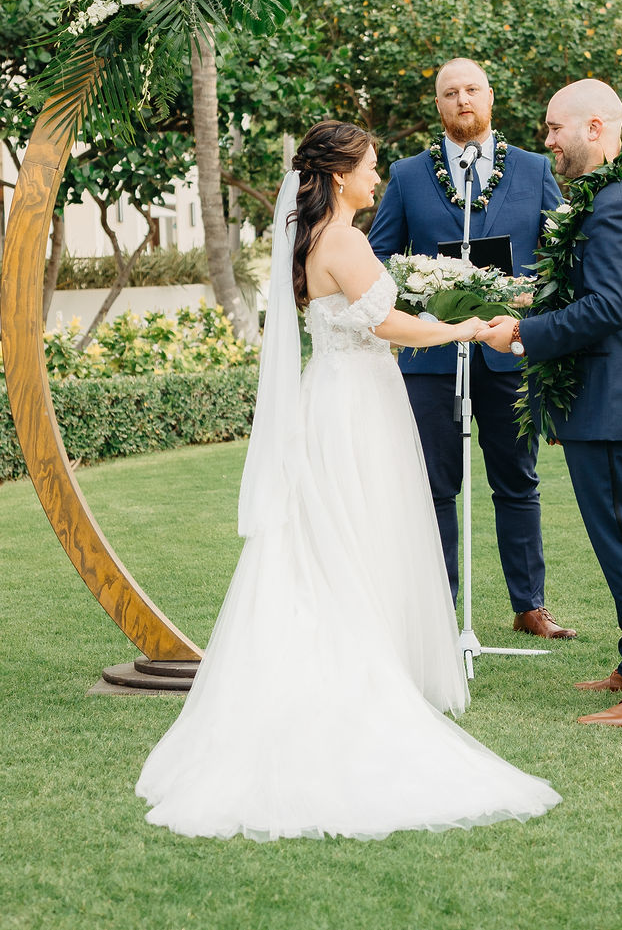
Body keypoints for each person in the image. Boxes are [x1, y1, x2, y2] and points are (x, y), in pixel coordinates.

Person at [136, 121, 560, 840]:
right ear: (339, 175)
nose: (378, 179)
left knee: (327, 538)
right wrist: (466, 328)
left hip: (330, 396)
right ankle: (354, 677)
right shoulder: (344, 239)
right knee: (362, 533)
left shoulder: (307, 239)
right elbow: (389, 322)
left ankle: (320, 667)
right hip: (359, 402)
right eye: (369, 168)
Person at [481, 81, 622, 728]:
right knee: (617, 544)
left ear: (594, 128)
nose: (546, 142)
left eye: (552, 129)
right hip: (606, 403)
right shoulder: (608, 198)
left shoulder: (618, 205)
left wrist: (522, 334)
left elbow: (608, 308)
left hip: (617, 403)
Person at [368, 58, 575, 640]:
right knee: (434, 483)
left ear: (490, 97)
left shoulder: (534, 170)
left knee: (518, 479)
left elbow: (560, 256)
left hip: (507, 350)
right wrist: (421, 285)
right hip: (431, 358)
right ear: (438, 105)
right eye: (450, 93)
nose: (463, 100)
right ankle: (440, 605)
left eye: (472, 90)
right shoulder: (408, 176)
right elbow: (379, 258)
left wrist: (528, 305)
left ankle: (529, 603)